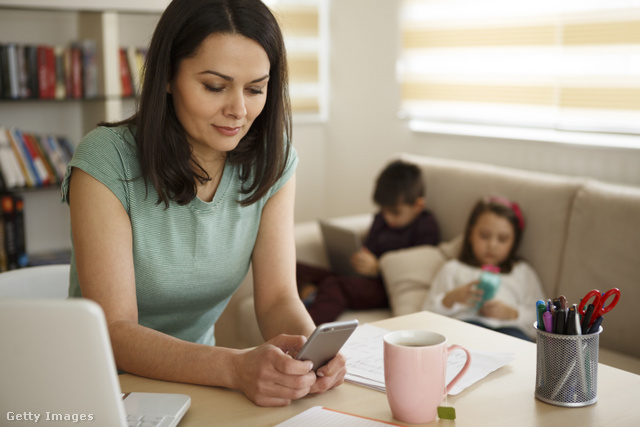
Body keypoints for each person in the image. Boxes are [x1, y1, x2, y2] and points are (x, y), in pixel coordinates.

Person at [61, 0, 345, 407]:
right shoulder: (106, 160)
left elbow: (278, 299)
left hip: (199, 386)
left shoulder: (273, 159)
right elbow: (115, 330)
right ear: (168, 77)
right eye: (215, 86)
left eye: (255, 88)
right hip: (99, 384)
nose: (239, 111)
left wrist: (310, 353)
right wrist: (234, 367)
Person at [299, 160, 441, 324]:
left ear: (418, 205)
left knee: (334, 285)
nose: (388, 217)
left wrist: (379, 268)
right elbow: (370, 247)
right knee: (295, 268)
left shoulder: (426, 226)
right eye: (384, 210)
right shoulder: (380, 219)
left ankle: (306, 333)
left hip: (385, 287)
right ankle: (315, 294)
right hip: (361, 278)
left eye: (395, 212)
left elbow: (417, 270)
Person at [423, 196, 545, 341]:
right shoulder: (453, 269)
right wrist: (451, 299)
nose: (492, 245)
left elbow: (543, 319)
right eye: (484, 236)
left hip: (510, 332)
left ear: (514, 242)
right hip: (467, 326)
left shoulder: (522, 272)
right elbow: (425, 316)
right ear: (470, 234)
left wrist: (511, 314)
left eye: (502, 239)